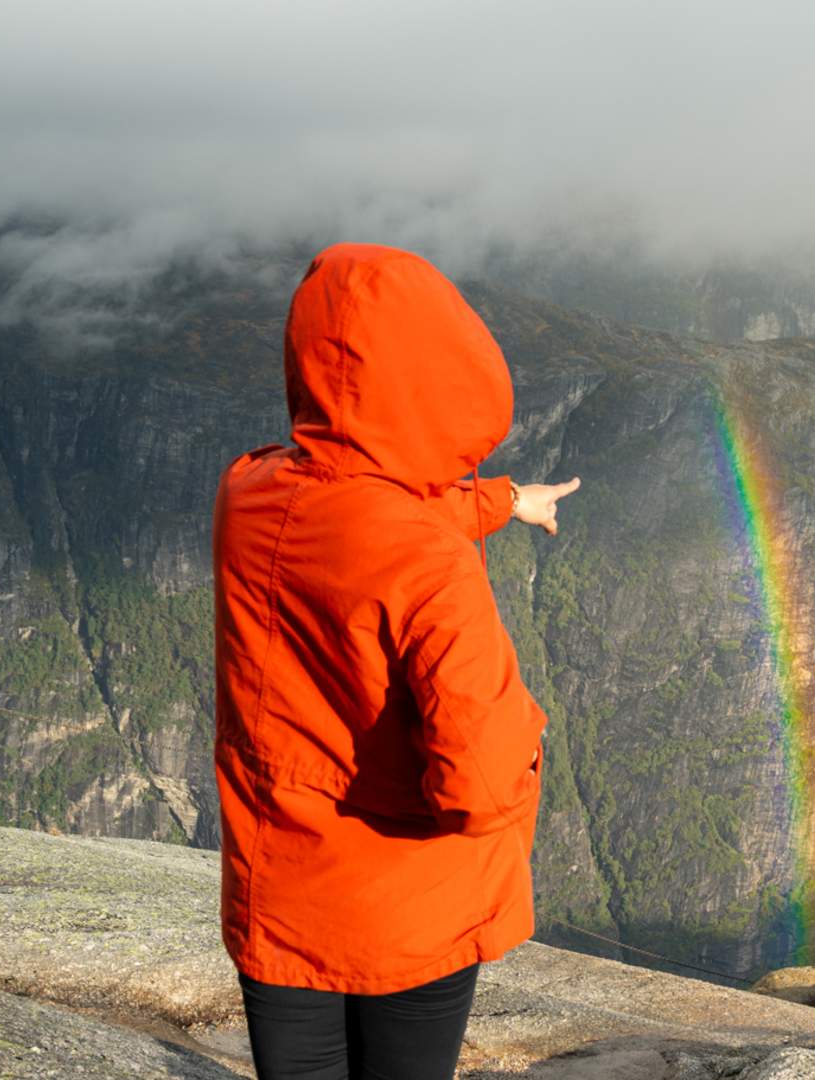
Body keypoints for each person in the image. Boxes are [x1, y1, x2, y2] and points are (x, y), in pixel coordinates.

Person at [211, 242, 579, 1079]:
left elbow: (359, 510)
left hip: (282, 891)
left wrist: (501, 500)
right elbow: (479, 785)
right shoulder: (432, 567)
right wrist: (529, 737)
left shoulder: (248, 494)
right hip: (413, 912)